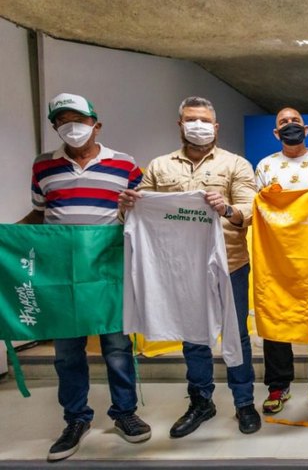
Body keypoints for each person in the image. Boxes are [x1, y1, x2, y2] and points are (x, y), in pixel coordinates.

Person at [118, 96, 260, 437]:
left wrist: (225, 208)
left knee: (237, 335)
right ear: (180, 124)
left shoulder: (235, 164)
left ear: (216, 126)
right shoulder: (159, 166)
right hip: (180, 267)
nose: (198, 125)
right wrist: (127, 205)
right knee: (193, 336)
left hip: (231, 263)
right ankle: (201, 402)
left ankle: (244, 402)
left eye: (204, 120)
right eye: (190, 119)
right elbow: (139, 211)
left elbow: (250, 208)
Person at [18, 93, 150, 461]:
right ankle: (75, 419)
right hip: (62, 273)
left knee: (118, 347)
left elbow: (143, 212)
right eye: (63, 120)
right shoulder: (43, 166)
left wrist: (131, 209)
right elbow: (39, 216)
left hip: (108, 268)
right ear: (55, 126)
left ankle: (125, 413)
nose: (71, 127)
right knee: (66, 353)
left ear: (96, 124)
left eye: (79, 119)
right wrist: (7, 237)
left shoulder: (124, 164)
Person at [255, 107, 308, 414]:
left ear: (305, 129)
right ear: (276, 133)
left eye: (294, 122)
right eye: (283, 123)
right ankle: (278, 386)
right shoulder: (266, 166)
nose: (289, 126)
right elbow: (257, 209)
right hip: (277, 260)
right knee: (277, 321)